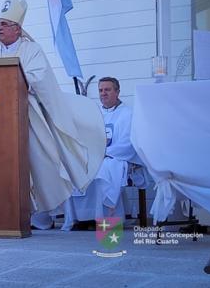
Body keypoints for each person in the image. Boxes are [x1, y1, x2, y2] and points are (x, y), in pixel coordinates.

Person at [0, 0, 105, 229]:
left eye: (3, 24)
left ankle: (39, 214)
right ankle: (7, 211)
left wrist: (16, 79)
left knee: (40, 163)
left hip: (29, 117)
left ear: (16, 28)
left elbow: (38, 77)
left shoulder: (31, 49)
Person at [62, 77, 147, 230]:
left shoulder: (128, 114)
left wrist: (102, 153)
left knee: (101, 170)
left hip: (118, 158)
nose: (103, 93)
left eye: (107, 90)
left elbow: (128, 144)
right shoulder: (95, 113)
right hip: (98, 156)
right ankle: (80, 218)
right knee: (72, 167)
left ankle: (102, 218)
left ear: (117, 92)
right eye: (101, 90)